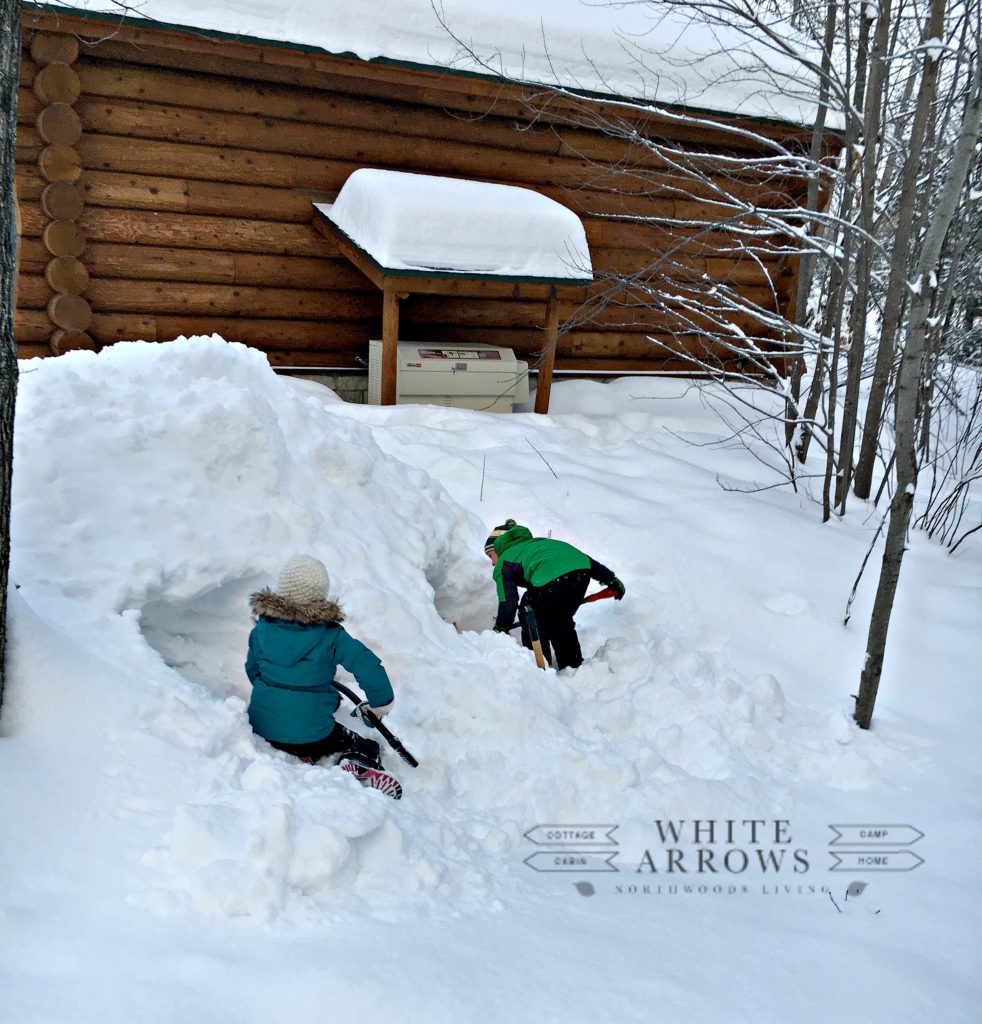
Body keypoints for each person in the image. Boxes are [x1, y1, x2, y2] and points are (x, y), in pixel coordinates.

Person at [245, 554, 395, 779]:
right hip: (313, 734)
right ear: (321, 595)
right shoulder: (332, 635)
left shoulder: (262, 630)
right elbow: (367, 666)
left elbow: (252, 670)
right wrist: (379, 704)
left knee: (309, 718)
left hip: (263, 727)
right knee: (365, 746)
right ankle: (354, 761)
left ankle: (297, 750)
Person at [484, 519, 625, 670]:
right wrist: (610, 579)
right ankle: (572, 665)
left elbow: (509, 601)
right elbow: (581, 559)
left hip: (552, 578)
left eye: (490, 555)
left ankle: (538, 668)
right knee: (560, 620)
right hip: (581, 575)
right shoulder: (540, 544)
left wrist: (501, 625)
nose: (492, 563)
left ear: (498, 548)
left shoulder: (504, 561)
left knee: (529, 611)